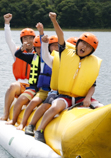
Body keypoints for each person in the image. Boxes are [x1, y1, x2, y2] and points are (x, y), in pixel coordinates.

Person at [33, 12, 101, 143]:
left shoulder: (91, 64)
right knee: (54, 108)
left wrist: (88, 98)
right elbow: (60, 35)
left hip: (82, 97)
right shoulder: (65, 53)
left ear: (91, 52)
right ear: (78, 43)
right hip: (65, 96)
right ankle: (40, 130)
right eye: (83, 44)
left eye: (88, 47)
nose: (84, 48)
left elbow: (92, 85)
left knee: (101, 107)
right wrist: (54, 20)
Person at [18, 27, 61, 132]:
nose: (56, 47)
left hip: (58, 92)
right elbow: (43, 48)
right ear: (49, 47)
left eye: (58, 45)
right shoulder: (45, 58)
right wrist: (41, 33)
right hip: (44, 90)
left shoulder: (63, 58)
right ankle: (26, 124)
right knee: (34, 102)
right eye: (53, 45)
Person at [0, 13, 35, 121]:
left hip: (34, 85)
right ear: (21, 40)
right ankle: (5, 114)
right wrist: (7, 23)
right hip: (21, 85)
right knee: (12, 86)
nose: (28, 40)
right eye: (25, 38)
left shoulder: (39, 53)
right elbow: (8, 40)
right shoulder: (17, 52)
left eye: (31, 38)